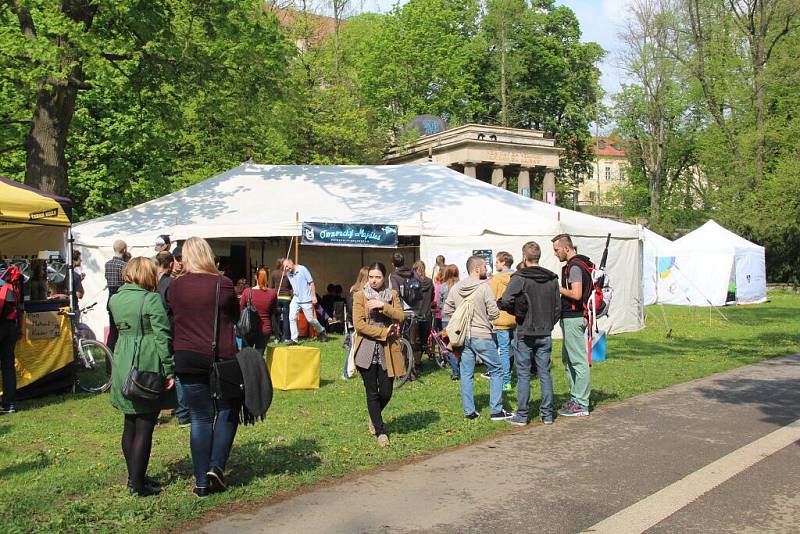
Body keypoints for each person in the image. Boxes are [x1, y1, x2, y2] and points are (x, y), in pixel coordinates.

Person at [168, 237, 241, 497]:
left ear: (185, 257)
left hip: (186, 356)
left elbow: (172, 316)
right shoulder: (224, 284)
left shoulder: (175, 287)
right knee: (227, 409)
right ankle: (216, 467)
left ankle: (200, 481)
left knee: (199, 417)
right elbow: (235, 316)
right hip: (220, 355)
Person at [108, 257, 175, 496]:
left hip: (123, 358)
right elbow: (162, 336)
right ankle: (136, 483)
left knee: (130, 423)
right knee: (145, 425)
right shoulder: (151, 299)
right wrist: (169, 368)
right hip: (146, 359)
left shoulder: (115, 299)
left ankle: (135, 476)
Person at [499, 241, 560, 425]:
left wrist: (518, 313)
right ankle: (547, 414)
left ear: (524, 257)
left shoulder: (520, 278)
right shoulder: (552, 279)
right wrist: (549, 324)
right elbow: (557, 307)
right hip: (544, 331)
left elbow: (506, 299)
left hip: (525, 331)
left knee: (524, 374)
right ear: (538, 257)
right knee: (544, 373)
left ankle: (523, 415)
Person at [444, 256, 509, 420]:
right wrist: (486, 315)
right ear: (477, 269)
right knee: (497, 370)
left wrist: (458, 320)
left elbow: (446, 309)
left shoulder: (456, 287)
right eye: (485, 267)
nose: (487, 270)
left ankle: (469, 411)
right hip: (482, 335)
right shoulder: (484, 287)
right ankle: (496, 410)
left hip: (463, 336)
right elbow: (494, 313)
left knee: (466, 373)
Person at [352, 262, 406, 447]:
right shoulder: (359, 296)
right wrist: (383, 333)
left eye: (378, 277)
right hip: (367, 348)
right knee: (372, 391)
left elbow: (400, 316)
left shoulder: (392, 295)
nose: (374, 281)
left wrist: (383, 306)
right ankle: (380, 431)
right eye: (371, 277)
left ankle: (373, 415)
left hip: (387, 350)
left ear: (384, 277)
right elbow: (359, 325)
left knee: (387, 391)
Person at [552, 233, 592, 417]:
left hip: (575, 317)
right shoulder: (577, 265)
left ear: (566, 248)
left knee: (577, 360)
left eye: (556, 250)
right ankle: (576, 398)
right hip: (572, 317)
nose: (555, 254)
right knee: (568, 360)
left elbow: (576, 294)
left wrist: (555, 288)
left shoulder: (575, 267)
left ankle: (582, 403)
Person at [283, 258, 328, 344]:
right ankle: (294, 339)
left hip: (306, 299)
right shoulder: (288, 273)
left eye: (287, 266)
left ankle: (321, 330)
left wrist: (313, 296)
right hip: (296, 299)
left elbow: (311, 283)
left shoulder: (302, 269)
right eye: (284, 267)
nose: (286, 269)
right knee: (291, 317)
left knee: (310, 319)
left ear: (291, 263)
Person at [488, 251, 515, 391]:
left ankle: (506, 380)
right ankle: (522, 374)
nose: (496, 264)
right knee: (517, 348)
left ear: (503, 262)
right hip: (516, 317)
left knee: (503, 350)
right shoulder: (517, 276)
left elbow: (491, 297)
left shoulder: (496, 279)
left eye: (497, 262)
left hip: (501, 319)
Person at [0, 254, 22, 414]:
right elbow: (20, 307)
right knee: (8, 366)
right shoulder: (13, 279)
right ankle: (10, 404)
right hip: (11, 326)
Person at [239, 266, 277, 353]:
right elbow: (273, 311)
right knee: (259, 357)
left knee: (246, 357)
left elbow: (240, 308)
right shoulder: (272, 293)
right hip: (265, 329)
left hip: (248, 328)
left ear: (255, 277)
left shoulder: (247, 292)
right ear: (267, 277)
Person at [342, 266, 370, 380]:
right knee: (353, 348)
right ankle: (346, 373)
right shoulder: (356, 291)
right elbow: (351, 309)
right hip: (355, 323)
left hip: (356, 322)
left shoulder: (355, 289)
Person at [437, 264, 460, 380]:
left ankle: (455, 371)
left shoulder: (442, 287)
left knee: (448, 345)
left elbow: (439, 304)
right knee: (460, 344)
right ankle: (461, 367)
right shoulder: (461, 286)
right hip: (459, 319)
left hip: (446, 319)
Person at [105, 240, 129, 352]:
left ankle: (109, 358)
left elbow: (107, 278)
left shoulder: (107, 264)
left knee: (112, 330)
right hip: (121, 297)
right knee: (124, 329)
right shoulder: (124, 265)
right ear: (124, 250)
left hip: (110, 297)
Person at [411, 260, 434, 369]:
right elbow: (432, 296)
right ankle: (418, 362)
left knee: (415, 340)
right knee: (423, 341)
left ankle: (415, 362)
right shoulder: (429, 282)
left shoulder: (412, 283)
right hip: (426, 314)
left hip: (415, 314)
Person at [270, 258, 292, 342]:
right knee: (286, 318)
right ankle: (286, 337)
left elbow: (272, 286)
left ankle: (277, 337)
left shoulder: (274, 273)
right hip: (286, 298)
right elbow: (290, 287)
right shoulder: (288, 274)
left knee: (276, 318)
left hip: (277, 297)